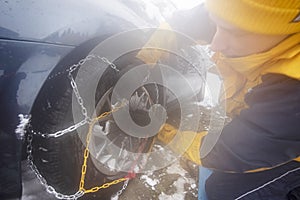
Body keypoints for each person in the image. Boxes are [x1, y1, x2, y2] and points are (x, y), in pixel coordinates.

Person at [136, 0, 300, 199]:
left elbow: (231, 153)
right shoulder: (237, 12)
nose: (216, 44)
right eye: (217, 24)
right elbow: (181, 25)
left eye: (237, 33)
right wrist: (140, 61)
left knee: (223, 190)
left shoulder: (293, 94)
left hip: (292, 151)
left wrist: (161, 129)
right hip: (265, 127)